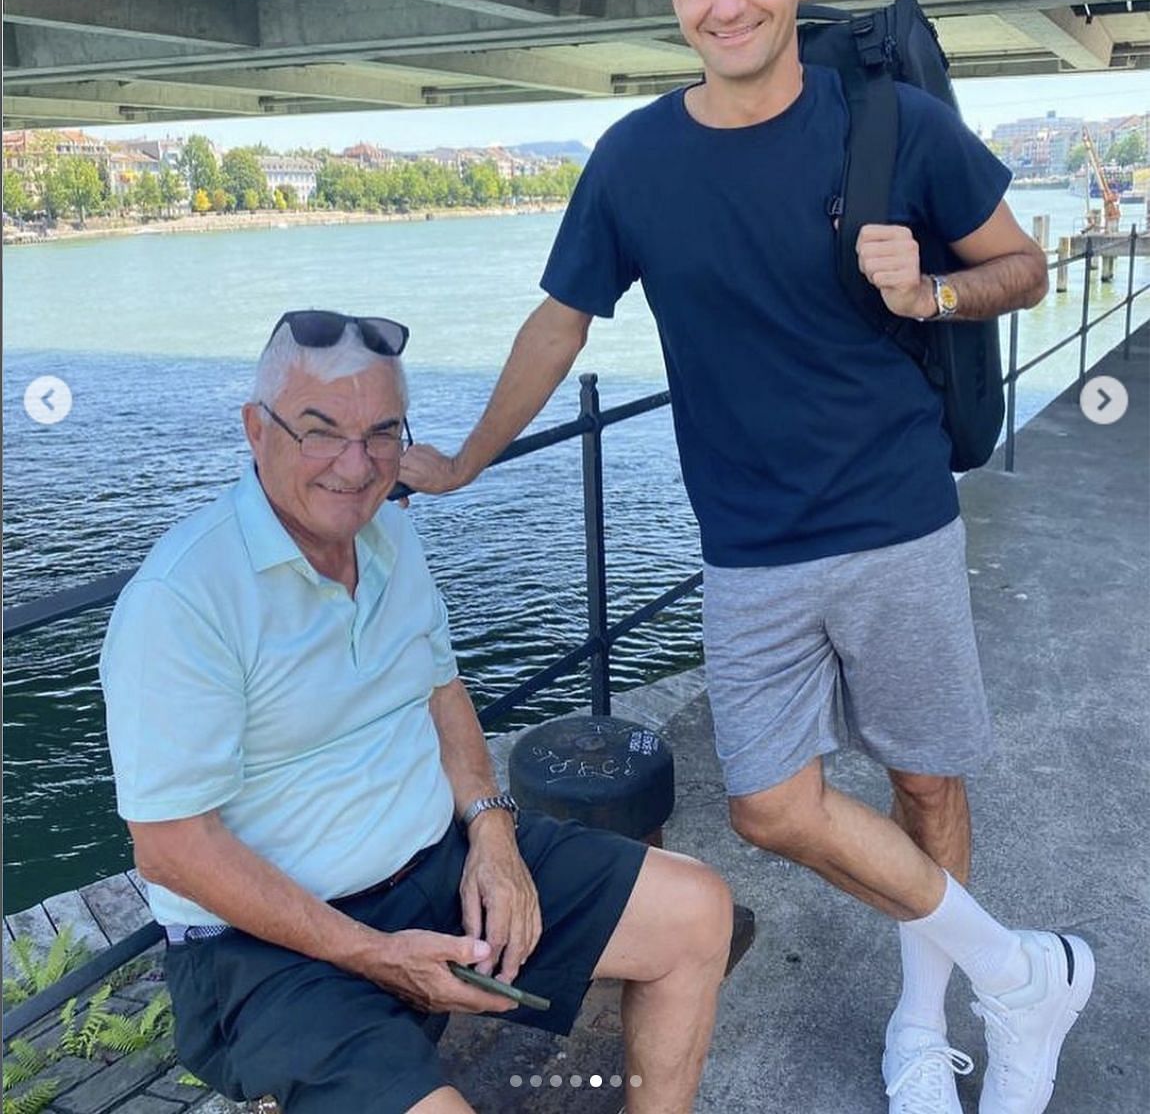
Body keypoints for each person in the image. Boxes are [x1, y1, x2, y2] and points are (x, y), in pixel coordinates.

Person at [399, 0, 1094, 1114]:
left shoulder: (891, 126)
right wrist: (460, 460)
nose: (729, 3)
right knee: (773, 807)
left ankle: (924, 1026)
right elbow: (559, 325)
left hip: (893, 520)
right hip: (748, 546)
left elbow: (1025, 269)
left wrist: (929, 288)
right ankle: (1021, 972)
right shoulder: (633, 160)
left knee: (927, 782)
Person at [99, 310, 733, 1114]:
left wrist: (494, 837)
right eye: (321, 432)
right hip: (262, 952)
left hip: (434, 864)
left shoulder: (389, 539)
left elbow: (444, 693)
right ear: (256, 430)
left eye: (383, 433)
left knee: (697, 913)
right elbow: (172, 849)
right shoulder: (181, 599)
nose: (358, 466)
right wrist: (373, 953)